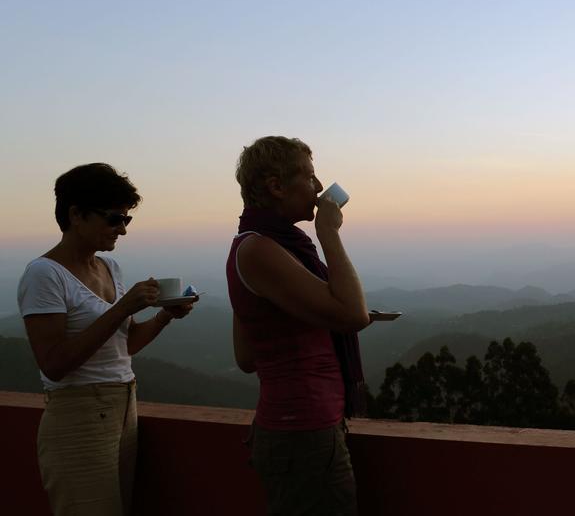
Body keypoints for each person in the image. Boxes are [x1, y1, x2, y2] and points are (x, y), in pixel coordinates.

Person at [17, 163, 195, 516]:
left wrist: (164, 316)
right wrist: (121, 308)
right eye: (114, 219)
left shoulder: (110, 268)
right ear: (76, 215)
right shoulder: (44, 274)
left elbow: (122, 347)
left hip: (124, 403)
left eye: (126, 220)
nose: (123, 230)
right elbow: (53, 364)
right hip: (78, 413)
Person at [228, 136, 375, 516]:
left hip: (298, 429)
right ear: (276, 186)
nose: (318, 186)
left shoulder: (263, 247)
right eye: (309, 177)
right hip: (303, 432)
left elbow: (248, 355)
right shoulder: (260, 250)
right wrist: (328, 232)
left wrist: (313, 314)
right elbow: (354, 315)